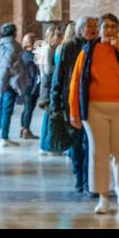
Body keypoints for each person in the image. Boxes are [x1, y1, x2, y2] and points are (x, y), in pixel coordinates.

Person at [69, 13, 119, 214]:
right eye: (106, 26)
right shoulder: (87, 51)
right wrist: (74, 112)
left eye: (113, 26)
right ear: (99, 29)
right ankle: (103, 196)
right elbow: (75, 83)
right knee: (98, 153)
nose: (109, 30)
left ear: (118, 29)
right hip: (95, 110)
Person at [51, 15, 96, 195]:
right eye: (90, 26)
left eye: (95, 26)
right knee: (77, 144)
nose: (94, 29)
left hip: (93, 103)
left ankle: (88, 181)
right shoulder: (67, 48)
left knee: (90, 144)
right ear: (80, 29)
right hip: (73, 103)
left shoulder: (97, 47)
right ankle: (80, 178)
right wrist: (55, 104)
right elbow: (58, 79)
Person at [0, 22, 26, 146]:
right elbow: (10, 68)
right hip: (9, 83)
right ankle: (4, 138)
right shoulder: (13, 47)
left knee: (1, 110)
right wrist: (18, 85)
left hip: (1, 82)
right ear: (14, 33)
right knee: (7, 111)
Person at [39, 22, 71, 155]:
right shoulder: (48, 49)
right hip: (47, 85)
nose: (60, 40)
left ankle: (48, 145)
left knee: (50, 116)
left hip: (49, 83)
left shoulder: (52, 48)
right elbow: (47, 69)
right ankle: (47, 145)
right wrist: (60, 68)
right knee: (49, 116)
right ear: (53, 37)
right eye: (59, 37)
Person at [18, 32, 41, 139]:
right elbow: (33, 73)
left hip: (23, 85)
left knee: (26, 108)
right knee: (29, 109)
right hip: (30, 86)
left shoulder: (22, 54)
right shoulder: (31, 56)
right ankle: (26, 130)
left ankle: (23, 129)